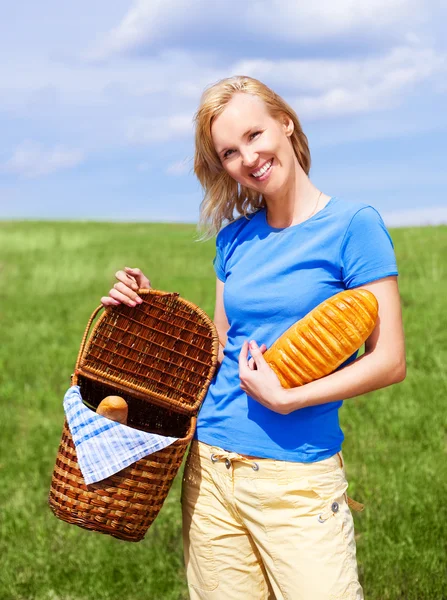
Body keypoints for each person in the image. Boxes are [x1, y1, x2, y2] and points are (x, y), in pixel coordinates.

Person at [101, 76, 406, 600]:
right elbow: (217, 349)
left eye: (255, 134)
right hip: (211, 470)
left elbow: (391, 360)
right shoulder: (235, 238)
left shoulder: (355, 226)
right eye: (229, 151)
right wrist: (148, 311)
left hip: (297, 478)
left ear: (285, 123)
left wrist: (290, 398)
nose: (249, 156)